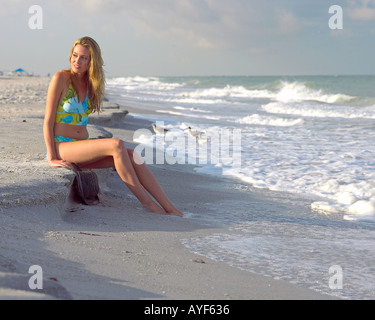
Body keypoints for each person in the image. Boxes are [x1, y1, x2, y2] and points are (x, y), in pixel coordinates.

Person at [43, 36, 183, 216]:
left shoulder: (90, 84)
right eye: (75, 55)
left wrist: (89, 153)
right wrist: (52, 157)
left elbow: (81, 123)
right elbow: (48, 121)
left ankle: (169, 207)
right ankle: (148, 204)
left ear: (92, 61)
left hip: (79, 148)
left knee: (133, 156)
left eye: (83, 57)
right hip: (61, 146)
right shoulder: (61, 78)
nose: (77, 61)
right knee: (116, 144)